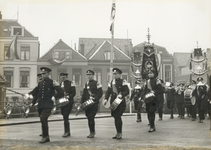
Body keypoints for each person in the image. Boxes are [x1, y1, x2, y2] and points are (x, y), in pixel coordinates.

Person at [24, 67, 64, 143]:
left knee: (43, 118)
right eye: (42, 74)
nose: (42, 75)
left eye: (44, 73)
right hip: (41, 104)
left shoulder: (52, 82)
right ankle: (46, 136)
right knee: (42, 120)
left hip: (48, 103)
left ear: (48, 74)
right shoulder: (40, 83)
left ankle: (45, 137)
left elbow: (61, 91)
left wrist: (54, 97)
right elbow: (35, 92)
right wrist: (28, 94)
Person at [103, 68, 129, 139]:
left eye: (116, 74)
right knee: (115, 117)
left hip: (120, 102)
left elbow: (127, 91)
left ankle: (119, 133)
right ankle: (117, 132)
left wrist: (121, 95)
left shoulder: (123, 81)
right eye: (114, 74)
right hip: (113, 102)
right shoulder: (111, 82)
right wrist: (106, 99)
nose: (115, 75)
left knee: (118, 117)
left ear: (120, 74)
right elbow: (108, 92)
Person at [80, 70, 103, 138]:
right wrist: (82, 103)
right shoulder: (86, 84)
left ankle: (92, 132)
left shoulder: (97, 83)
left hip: (93, 103)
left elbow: (100, 93)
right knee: (88, 117)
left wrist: (95, 98)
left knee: (91, 117)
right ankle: (91, 131)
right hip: (87, 104)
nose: (88, 76)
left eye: (90, 74)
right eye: (87, 75)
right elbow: (84, 94)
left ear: (93, 75)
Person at [60, 73, 76, 137]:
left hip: (69, 102)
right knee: (64, 116)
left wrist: (69, 96)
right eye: (61, 78)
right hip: (62, 102)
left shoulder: (71, 83)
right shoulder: (61, 84)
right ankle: (67, 131)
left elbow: (74, 93)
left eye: (64, 77)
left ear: (66, 77)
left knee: (66, 116)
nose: (63, 79)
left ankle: (67, 132)